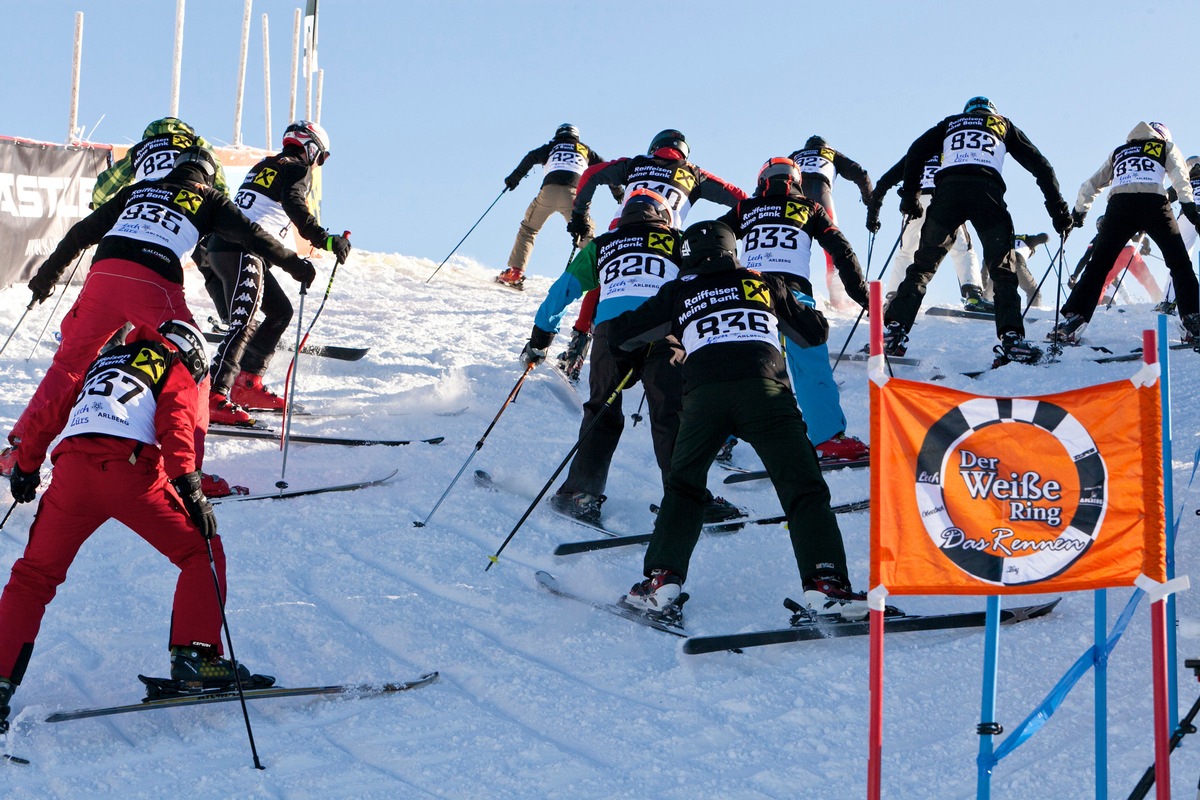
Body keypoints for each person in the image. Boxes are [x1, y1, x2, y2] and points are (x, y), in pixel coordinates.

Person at [0, 321, 274, 731]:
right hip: (130, 471)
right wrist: (190, 486)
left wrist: (26, 465)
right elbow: (177, 422)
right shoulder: (172, 364)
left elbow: (52, 410)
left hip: (71, 473)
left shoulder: (104, 360)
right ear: (193, 355)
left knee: (33, 578)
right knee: (202, 552)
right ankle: (196, 657)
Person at [0, 147, 314, 486]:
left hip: (102, 277)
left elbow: (80, 234)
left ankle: (19, 450)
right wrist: (295, 265)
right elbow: (253, 236)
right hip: (153, 281)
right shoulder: (209, 198)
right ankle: (187, 473)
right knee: (193, 372)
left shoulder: (137, 190)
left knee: (69, 367)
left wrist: (46, 277)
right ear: (207, 177)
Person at [605, 220, 867, 621]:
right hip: (765, 393)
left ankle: (662, 582)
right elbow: (813, 334)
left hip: (704, 397)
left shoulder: (679, 291)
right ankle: (826, 586)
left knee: (684, 487)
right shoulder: (762, 281)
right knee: (803, 488)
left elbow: (621, 335)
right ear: (733, 251)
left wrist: (670, 335)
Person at [520, 189, 738, 525]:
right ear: (663, 215)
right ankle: (688, 498)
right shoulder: (678, 242)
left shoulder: (604, 244)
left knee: (602, 409)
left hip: (612, 334)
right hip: (662, 330)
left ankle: (581, 493)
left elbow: (562, 291)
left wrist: (541, 338)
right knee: (671, 413)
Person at [883, 96, 1072, 365]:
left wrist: (910, 197)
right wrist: (1059, 212)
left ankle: (893, 332)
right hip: (987, 195)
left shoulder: (950, 124)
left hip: (947, 195)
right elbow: (1040, 166)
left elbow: (916, 151)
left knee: (922, 266)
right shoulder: (1002, 124)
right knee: (1003, 270)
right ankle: (1012, 340)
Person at [558, 129, 747, 383]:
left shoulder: (637, 164)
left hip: (621, 231)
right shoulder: (693, 173)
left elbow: (592, 173)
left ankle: (579, 345)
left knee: (605, 279)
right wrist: (725, 233)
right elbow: (738, 197)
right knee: (675, 290)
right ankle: (674, 356)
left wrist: (580, 213)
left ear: (654, 147)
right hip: (665, 240)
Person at [714, 157, 870, 460]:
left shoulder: (745, 208)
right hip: (794, 295)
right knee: (810, 364)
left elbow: (713, 236)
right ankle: (827, 439)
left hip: (748, 294)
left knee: (744, 365)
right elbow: (842, 250)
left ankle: (719, 435)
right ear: (797, 181)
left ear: (762, 181)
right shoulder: (810, 208)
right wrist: (862, 296)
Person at [206, 121, 350, 424]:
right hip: (244, 248)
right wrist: (325, 240)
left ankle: (247, 383)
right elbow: (296, 207)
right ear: (311, 147)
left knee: (280, 311)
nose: (318, 163)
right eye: (321, 157)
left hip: (227, 247)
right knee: (244, 322)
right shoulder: (298, 168)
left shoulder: (265, 164)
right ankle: (214, 394)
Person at [1050, 121, 1200, 345]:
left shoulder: (1120, 151)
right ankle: (1193, 320)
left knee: (1099, 265)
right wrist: (1189, 209)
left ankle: (1073, 320)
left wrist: (1079, 213)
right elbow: (1180, 177)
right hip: (1154, 202)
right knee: (1179, 263)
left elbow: (1090, 184)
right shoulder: (1165, 147)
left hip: (1120, 204)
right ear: (1162, 137)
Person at [92, 117, 232, 318]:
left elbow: (105, 186)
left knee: (131, 263)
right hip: (189, 204)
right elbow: (219, 183)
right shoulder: (197, 142)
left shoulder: (141, 148)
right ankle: (231, 319)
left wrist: (99, 208)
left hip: (146, 205)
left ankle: (111, 333)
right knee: (212, 265)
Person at [870, 153, 991, 312]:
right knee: (962, 249)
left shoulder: (916, 154)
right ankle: (973, 294)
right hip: (944, 199)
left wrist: (873, 210)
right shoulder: (951, 151)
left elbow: (887, 179)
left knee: (907, 252)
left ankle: (894, 298)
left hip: (916, 200)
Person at [496, 124, 610, 289]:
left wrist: (514, 178)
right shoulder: (585, 150)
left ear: (558, 135)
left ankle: (515, 272)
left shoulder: (552, 147)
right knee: (584, 233)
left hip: (548, 192)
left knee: (528, 229)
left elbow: (531, 157)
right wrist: (618, 192)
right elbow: (604, 168)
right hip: (573, 196)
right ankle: (600, 272)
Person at [789, 136, 873, 310]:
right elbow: (860, 173)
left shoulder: (796, 155)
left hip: (794, 199)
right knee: (832, 247)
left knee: (790, 245)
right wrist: (869, 198)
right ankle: (837, 298)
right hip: (821, 194)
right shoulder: (830, 153)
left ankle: (788, 291)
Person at [1066, 220, 1159, 307]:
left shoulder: (1098, 237)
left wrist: (1075, 275)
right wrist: (1145, 249)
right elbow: (1144, 240)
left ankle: (1095, 305)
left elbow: (1085, 258)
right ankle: (1159, 298)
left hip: (1114, 256)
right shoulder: (1120, 229)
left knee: (1102, 282)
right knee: (1145, 276)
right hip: (1130, 251)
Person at [1153, 155, 1200, 315]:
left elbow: (1166, 197)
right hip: (1191, 216)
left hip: (1189, 216)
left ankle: (1169, 301)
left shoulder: (1184, 180)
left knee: (1180, 259)